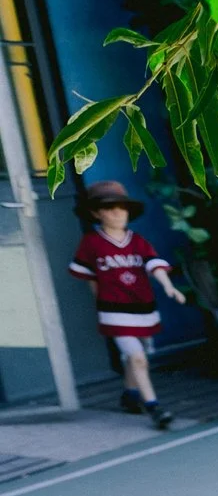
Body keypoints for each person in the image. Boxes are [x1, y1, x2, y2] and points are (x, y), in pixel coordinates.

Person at [68, 180, 185, 430]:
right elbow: (88, 276)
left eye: (121, 208)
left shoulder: (137, 241)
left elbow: (154, 264)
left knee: (140, 356)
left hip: (144, 309)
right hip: (114, 311)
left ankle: (130, 395)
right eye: (110, 209)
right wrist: (101, 305)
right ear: (96, 213)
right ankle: (154, 407)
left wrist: (167, 285)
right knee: (137, 357)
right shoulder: (91, 242)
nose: (117, 213)